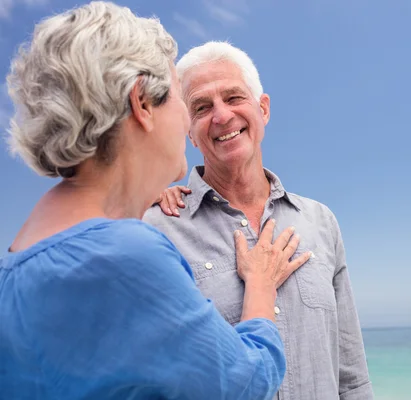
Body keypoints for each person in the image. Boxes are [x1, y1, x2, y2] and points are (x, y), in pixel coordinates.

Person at [0, 3, 311, 399]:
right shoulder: (127, 255)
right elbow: (246, 384)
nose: (187, 124)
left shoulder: (17, 260)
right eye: (185, 101)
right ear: (142, 104)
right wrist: (262, 286)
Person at [144, 41, 374, 399]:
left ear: (262, 109)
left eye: (234, 98)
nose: (221, 116)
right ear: (188, 131)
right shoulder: (157, 228)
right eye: (202, 107)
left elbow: (352, 379)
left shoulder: (320, 222)